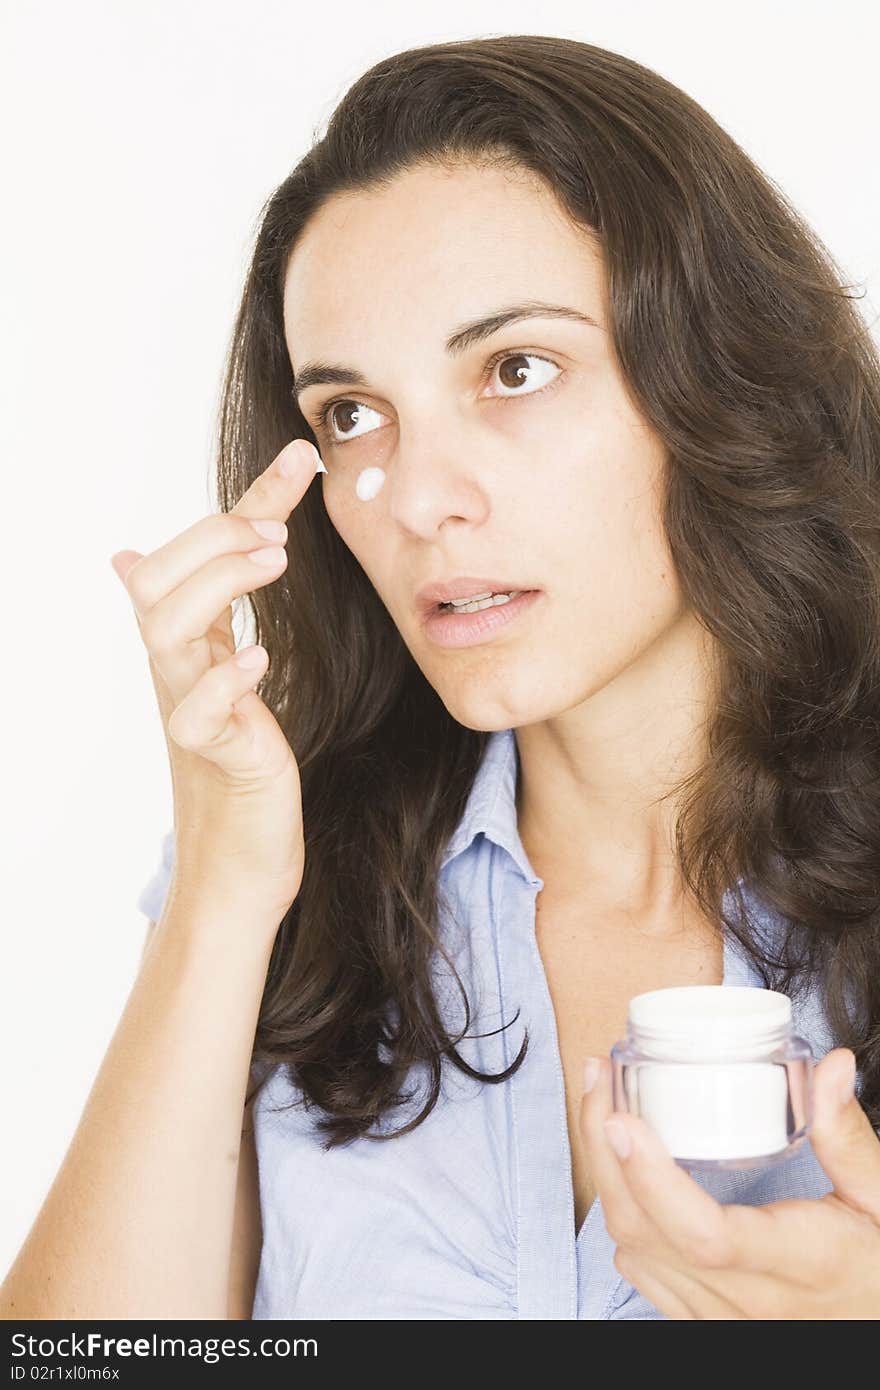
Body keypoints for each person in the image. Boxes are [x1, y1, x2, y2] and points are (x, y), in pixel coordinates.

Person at [3, 33, 880, 1322]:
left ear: (723, 375)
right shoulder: (293, 881)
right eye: (350, 413)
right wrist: (222, 901)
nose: (411, 497)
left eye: (515, 369)